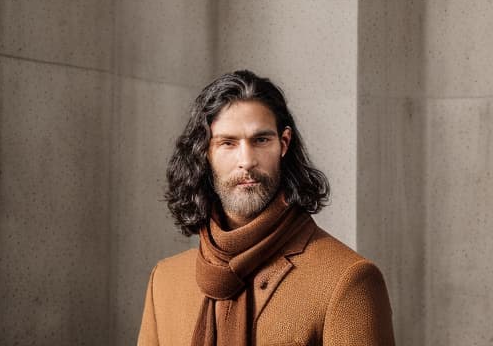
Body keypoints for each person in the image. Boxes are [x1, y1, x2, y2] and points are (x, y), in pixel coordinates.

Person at [137, 70, 395, 346]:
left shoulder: (347, 280)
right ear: (205, 152)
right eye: (228, 143)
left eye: (261, 140)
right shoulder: (165, 282)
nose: (246, 161)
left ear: (283, 144)